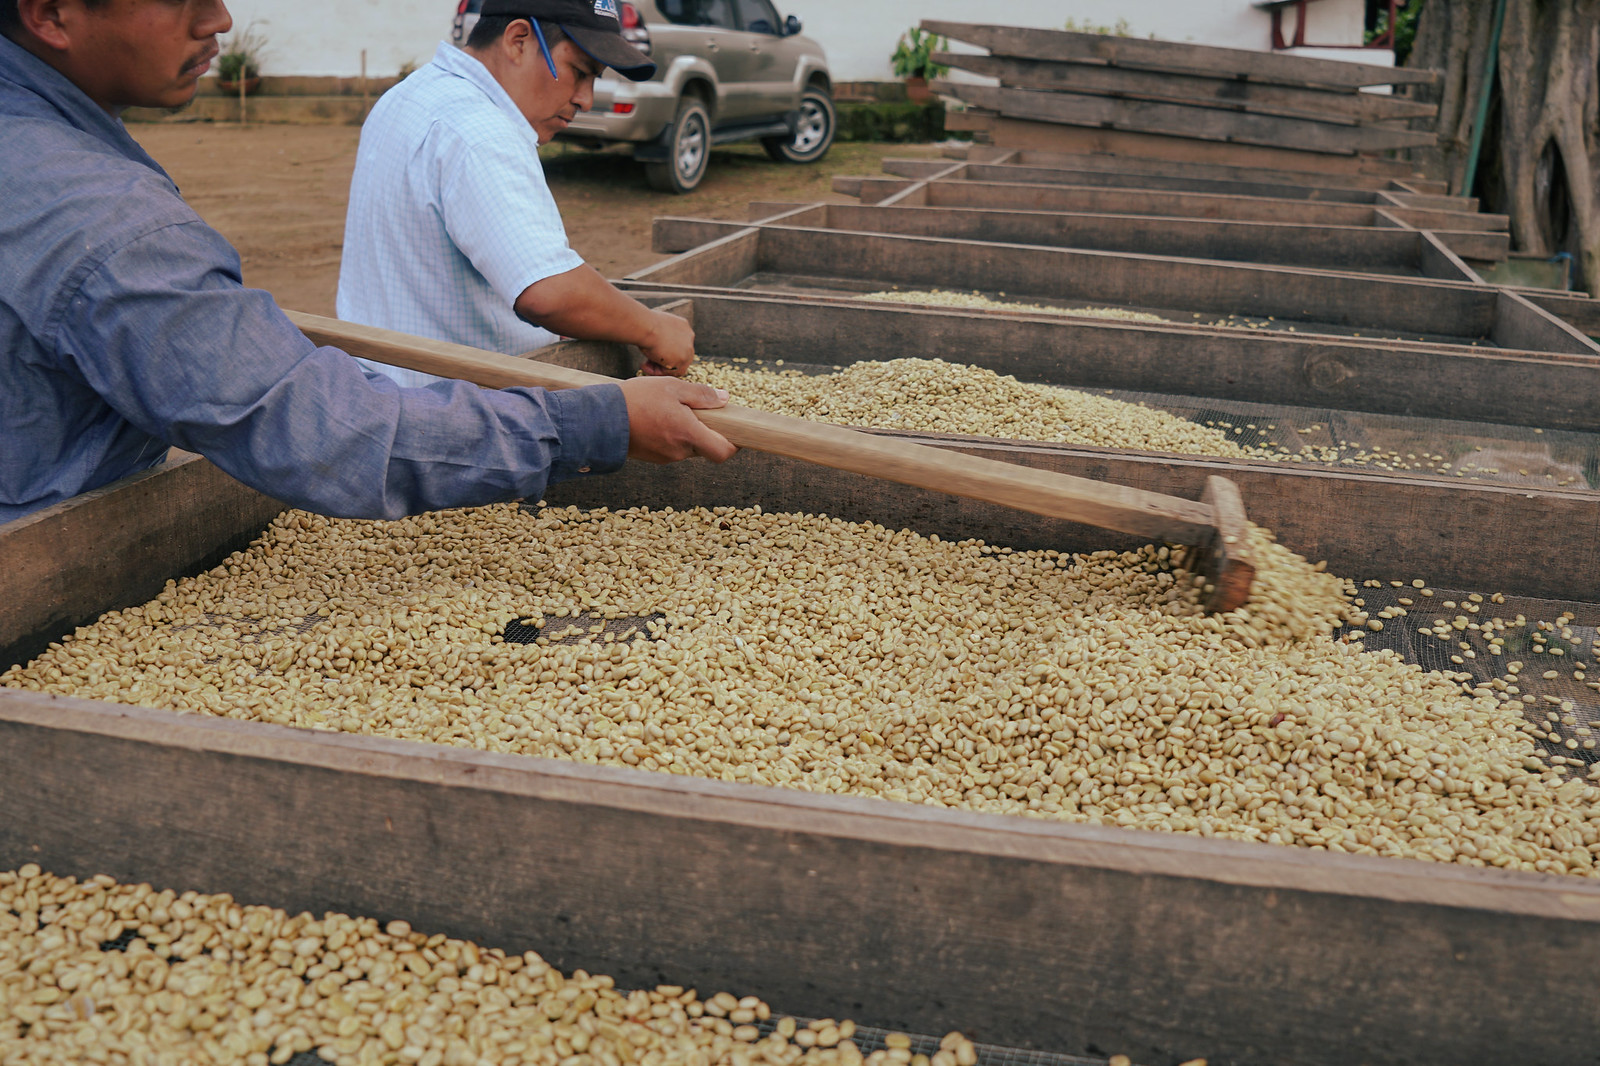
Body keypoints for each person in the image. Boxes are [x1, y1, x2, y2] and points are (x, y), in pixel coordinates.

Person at [0, 0, 734, 528]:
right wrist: (599, 420)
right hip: (418, 434)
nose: (220, 19)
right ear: (52, 14)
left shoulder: (410, 96)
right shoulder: (105, 220)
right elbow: (328, 435)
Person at [337, 0, 693, 388]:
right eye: (578, 72)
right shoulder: (481, 131)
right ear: (518, 40)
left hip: (373, 387)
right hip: (446, 416)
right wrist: (654, 329)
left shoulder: (409, 95)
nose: (586, 99)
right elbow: (547, 292)